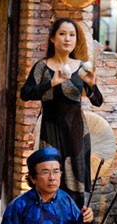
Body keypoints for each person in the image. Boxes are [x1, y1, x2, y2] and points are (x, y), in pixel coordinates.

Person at [20, 18, 103, 209]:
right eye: (62, 34)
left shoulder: (82, 67)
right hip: (50, 129)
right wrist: (51, 83)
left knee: (76, 179)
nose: (67, 39)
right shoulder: (42, 66)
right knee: (50, 175)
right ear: (52, 38)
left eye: (72, 35)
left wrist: (91, 85)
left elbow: (98, 101)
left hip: (76, 131)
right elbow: (25, 94)